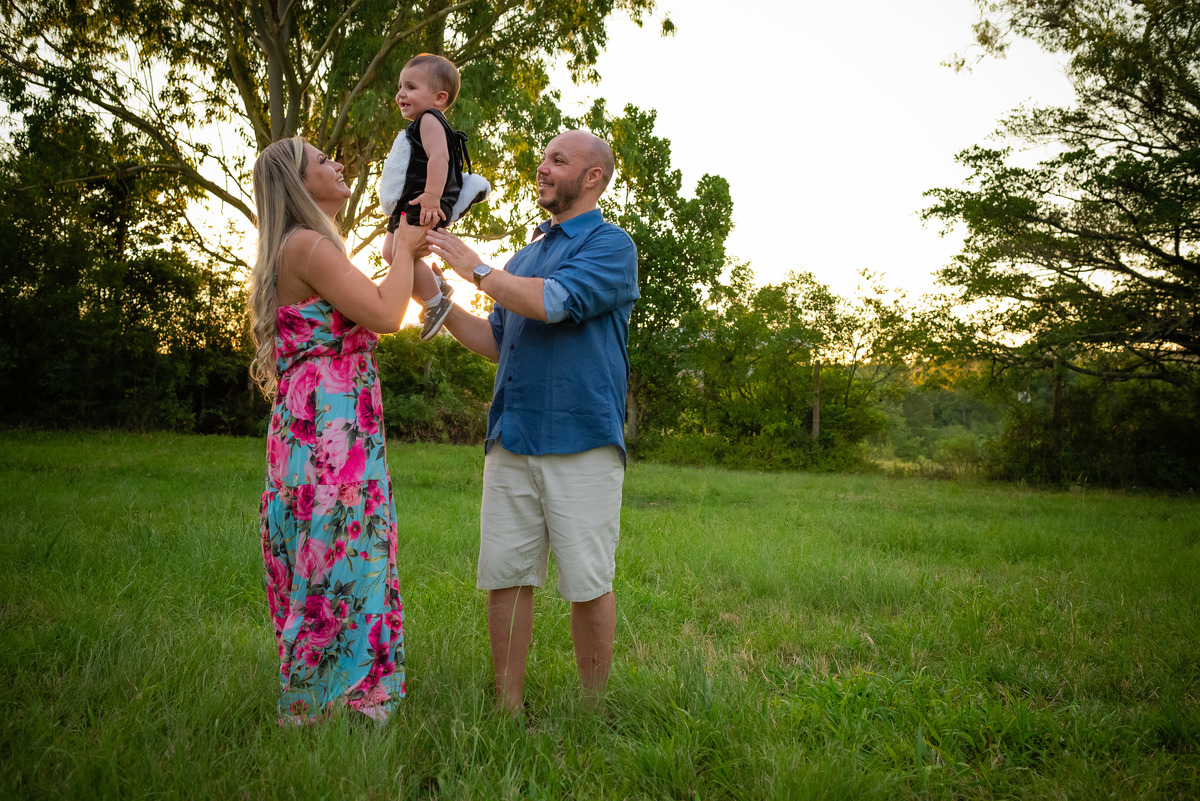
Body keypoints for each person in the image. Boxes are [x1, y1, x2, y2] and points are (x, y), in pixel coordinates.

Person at [425, 129, 638, 714]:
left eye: (558, 159)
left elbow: (553, 303)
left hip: (582, 440)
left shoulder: (611, 246)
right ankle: (508, 708)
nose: (542, 167)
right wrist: (432, 286)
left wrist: (475, 266)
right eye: (544, 157)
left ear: (592, 177)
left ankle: (592, 711)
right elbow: (495, 340)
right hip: (511, 437)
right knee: (507, 576)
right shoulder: (524, 257)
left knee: (587, 582)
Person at [247, 135, 427, 725]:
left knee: (327, 547)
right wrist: (404, 248)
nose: (338, 164)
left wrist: (399, 258)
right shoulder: (308, 245)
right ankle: (339, 697)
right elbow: (385, 314)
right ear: (299, 184)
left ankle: (338, 692)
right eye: (323, 160)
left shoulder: (303, 246)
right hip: (331, 422)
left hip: (318, 417)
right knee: (341, 545)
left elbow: (371, 302)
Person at [378, 52, 489, 341]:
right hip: (411, 201)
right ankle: (436, 292)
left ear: (439, 98)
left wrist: (431, 196)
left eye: (411, 87)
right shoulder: (421, 123)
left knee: (400, 251)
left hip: (423, 201)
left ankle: (434, 303)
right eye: (401, 86)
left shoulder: (429, 119)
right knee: (390, 252)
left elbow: (439, 158)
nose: (402, 93)